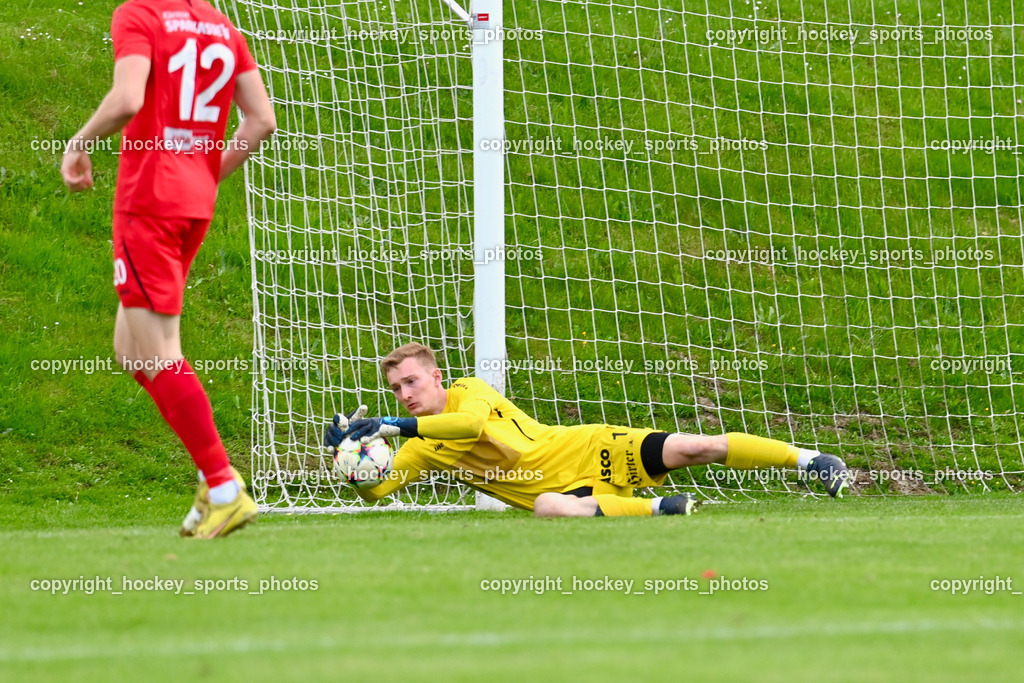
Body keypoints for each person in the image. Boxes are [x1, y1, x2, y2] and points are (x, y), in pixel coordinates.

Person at [61, 0, 276, 538]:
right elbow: (262, 120)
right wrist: (204, 177)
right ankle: (215, 482)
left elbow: (128, 97)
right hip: (191, 206)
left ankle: (224, 487)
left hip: (149, 202)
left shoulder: (139, 14)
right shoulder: (223, 26)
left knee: (159, 352)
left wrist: (78, 144)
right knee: (131, 350)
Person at [324, 343, 850, 516]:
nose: (405, 393)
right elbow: (380, 490)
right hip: (560, 489)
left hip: (584, 447)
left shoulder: (468, 391)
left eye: (411, 382)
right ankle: (663, 509)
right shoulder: (423, 448)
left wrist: (395, 424)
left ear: (435, 376)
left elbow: (468, 426)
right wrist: (350, 462)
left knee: (698, 446)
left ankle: (812, 461)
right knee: (551, 508)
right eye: (396, 390)